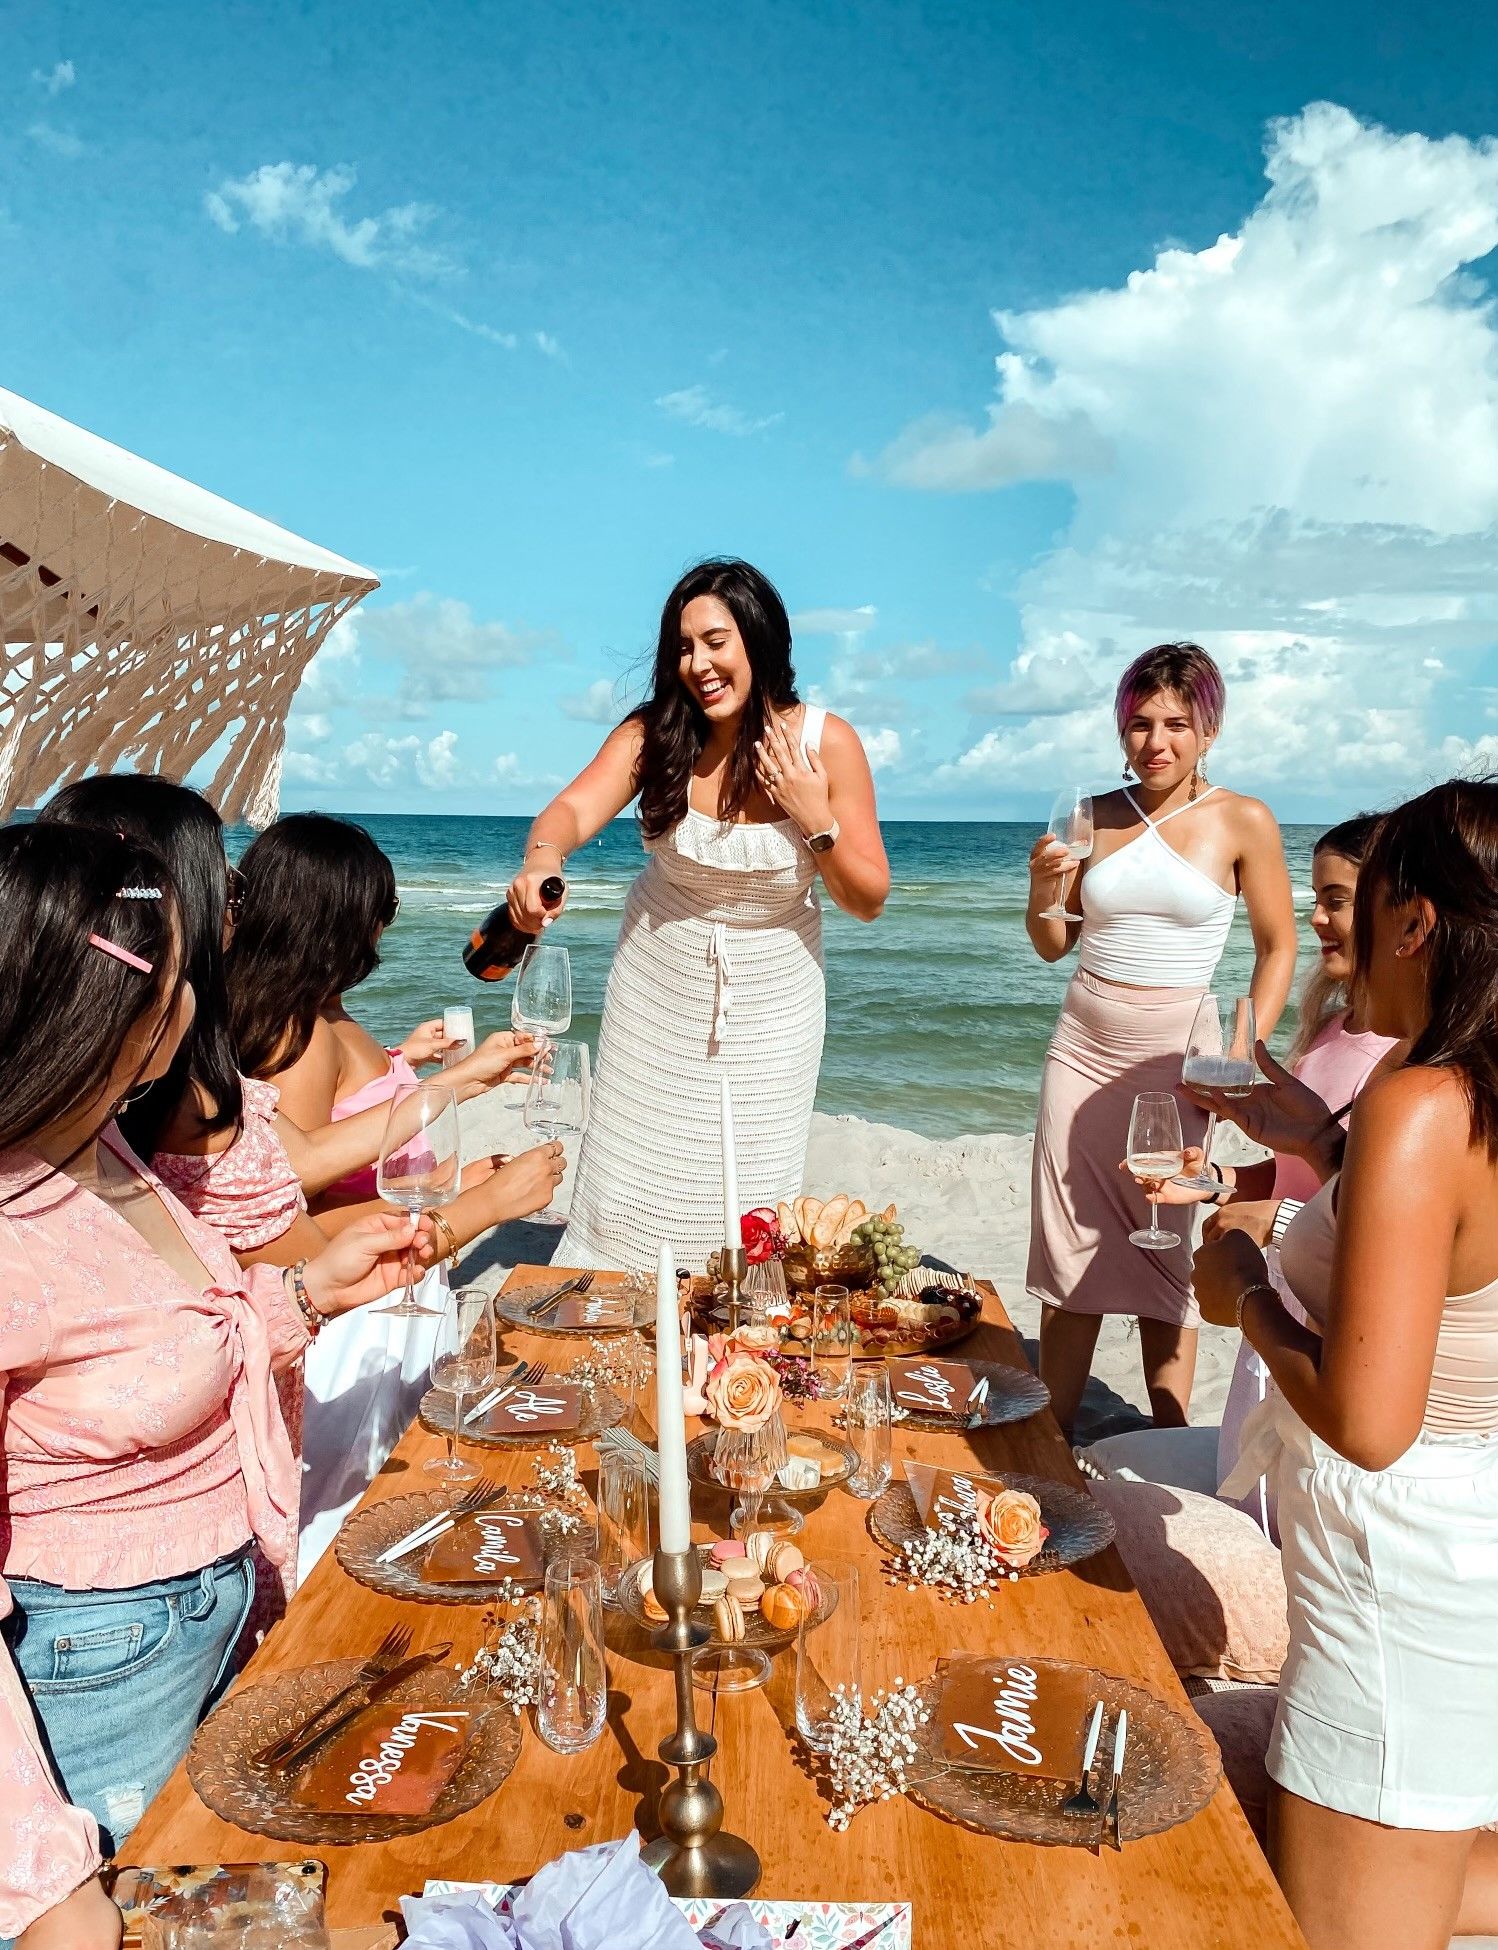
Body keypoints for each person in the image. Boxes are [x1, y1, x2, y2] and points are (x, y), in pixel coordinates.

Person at [0, 824, 429, 1943]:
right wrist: (45, 1891)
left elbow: (155, 1350)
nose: (205, 995)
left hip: (217, 1619)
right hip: (105, 1680)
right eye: (185, 970)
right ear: (114, 1007)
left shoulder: (99, 1144)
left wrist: (312, 1294)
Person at [1192, 779, 1498, 1950]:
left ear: (1413, 922)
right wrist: (1315, 1141)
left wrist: (1247, 1295)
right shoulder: (1458, 1088)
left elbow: (1369, 1424)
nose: (1340, 933)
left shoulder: (1419, 1102)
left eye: (1360, 902)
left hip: (1390, 1588)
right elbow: (1442, 1241)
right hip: (1440, 1558)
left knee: (1325, 1932)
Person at [506, 558, 889, 1271]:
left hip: (774, 1010)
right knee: (626, 1182)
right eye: (683, 647)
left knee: (746, 1200)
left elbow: (867, 898)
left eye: (716, 641)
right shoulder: (656, 735)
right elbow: (567, 812)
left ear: (758, 638)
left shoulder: (825, 745)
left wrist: (816, 819)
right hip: (655, 990)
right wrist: (542, 860)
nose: (698, 663)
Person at [226, 813, 565, 1576]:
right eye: (373, 915)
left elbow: (356, 1148)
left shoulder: (325, 1012)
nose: (381, 935)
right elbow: (289, 1193)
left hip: (391, 1295)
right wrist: (466, 1204)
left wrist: (452, 1171)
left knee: (393, 1511)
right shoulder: (298, 1032)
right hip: (356, 1318)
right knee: (353, 1515)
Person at [1096, 814, 1399, 1536]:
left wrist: (1272, 1229)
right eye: (1315, 898)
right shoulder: (1334, 1026)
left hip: (1319, 1334)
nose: (1316, 919)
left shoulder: (1401, 1061)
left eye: (1337, 899)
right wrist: (1218, 1182)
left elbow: (1374, 1212)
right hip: (1275, 1332)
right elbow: (1305, 1170)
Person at [1025, 641, 1297, 1436]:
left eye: (1177, 724)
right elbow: (1051, 944)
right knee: (1073, 1248)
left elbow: (1279, 945)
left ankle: (1170, 1435)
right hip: (1081, 1049)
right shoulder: (1094, 815)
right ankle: (1053, 1439)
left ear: (1208, 730)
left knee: (1164, 1246)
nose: (1156, 742)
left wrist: (1243, 1050)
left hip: (1177, 1058)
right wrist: (1045, 889)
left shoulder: (1243, 819)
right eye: (1140, 724)